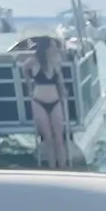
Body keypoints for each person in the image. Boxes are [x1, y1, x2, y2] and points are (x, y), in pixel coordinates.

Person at [22, 36, 70, 169]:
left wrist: (63, 91)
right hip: (39, 101)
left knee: (59, 137)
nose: (55, 48)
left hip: (55, 100)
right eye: (53, 46)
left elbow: (60, 80)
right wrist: (29, 87)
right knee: (48, 137)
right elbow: (24, 69)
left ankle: (63, 166)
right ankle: (52, 167)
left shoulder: (55, 62)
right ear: (46, 48)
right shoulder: (33, 62)